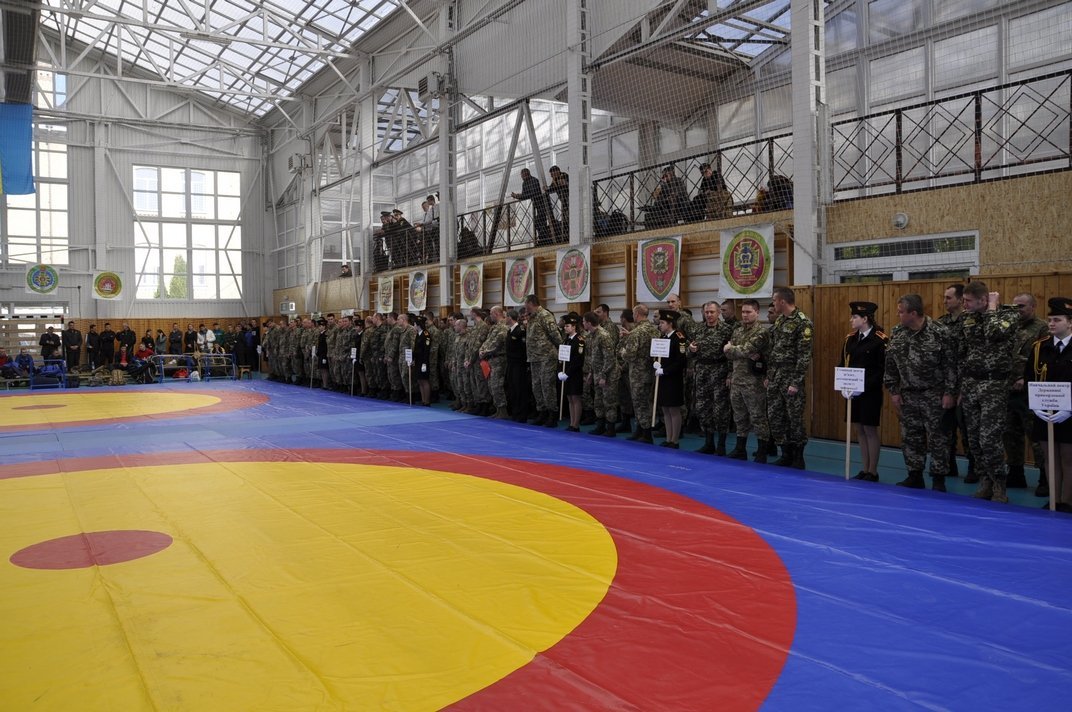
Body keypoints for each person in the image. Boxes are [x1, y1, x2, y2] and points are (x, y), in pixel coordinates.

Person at [883, 294, 957, 491]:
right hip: (908, 394)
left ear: (913, 313)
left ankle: (938, 479)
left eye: (901, 312)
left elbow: (950, 365)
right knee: (910, 437)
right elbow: (890, 364)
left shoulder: (940, 332)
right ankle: (914, 475)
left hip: (934, 394)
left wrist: (950, 392)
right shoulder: (898, 332)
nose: (898, 315)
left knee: (938, 438)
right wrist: (893, 391)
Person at [958, 281, 1020, 503]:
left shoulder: (1009, 315)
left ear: (984, 300)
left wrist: (992, 309)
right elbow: (963, 351)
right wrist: (961, 385)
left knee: (989, 439)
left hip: (994, 385)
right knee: (974, 439)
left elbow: (994, 333)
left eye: (968, 301)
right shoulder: (967, 317)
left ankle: (999, 484)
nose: (964, 305)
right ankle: (985, 480)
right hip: (971, 384)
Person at [1026, 297, 1072, 512]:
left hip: (1069, 415)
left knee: (1068, 458)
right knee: (1050, 458)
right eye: (1050, 319)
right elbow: (1030, 378)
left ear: (1070, 322)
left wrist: (1069, 409)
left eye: (1057, 320)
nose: (1051, 323)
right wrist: (1035, 405)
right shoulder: (1040, 348)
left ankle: (1067, 501)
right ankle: (1054, 500)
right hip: (1045, 412)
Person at [1005, 293, 1050, 493]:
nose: (1018, 311)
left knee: (1036, 435)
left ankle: (1044, 477)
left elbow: (1045, 359)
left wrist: (1026, 378)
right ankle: (1016, 473)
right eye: (1014, 307)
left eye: (1022, 306)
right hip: (1008, 388)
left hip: (1030, 390)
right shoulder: (1009, 327)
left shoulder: (1042, 328)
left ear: (1033, 306)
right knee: (1010, 433)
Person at [842, 302, 889, 482]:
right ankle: (864, 468)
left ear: (865, 319)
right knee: (859, 429)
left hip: (870, 392)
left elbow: (881, 369)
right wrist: (844, 384)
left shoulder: (880, 340)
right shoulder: (850, 339)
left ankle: (873, 471)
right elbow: (843, 363)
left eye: (854, 317)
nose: (851, 320)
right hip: (852, 392)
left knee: (870, 429)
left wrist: (863, 386)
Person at [767, 287, 813, 469]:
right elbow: (774, 350)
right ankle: (785, 453)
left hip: (791, 376)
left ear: (782, 301)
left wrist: (796, 382)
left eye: (774, 301)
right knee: (775, 416)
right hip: (776, 376)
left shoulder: (803, 322)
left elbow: (804, 356)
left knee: (794, 418)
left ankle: (798, 456)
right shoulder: (780, 320)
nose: (773, 304)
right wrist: (769, 375)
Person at [724, 299, 772, 461]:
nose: (745, 315)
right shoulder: (737, 331)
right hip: (737, 380)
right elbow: (730, 355)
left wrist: (732, 349)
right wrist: (734, 353)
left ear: (757, 313)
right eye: (743, 312)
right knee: (739, 416)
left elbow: (744, 350)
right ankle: (740, 449)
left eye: (748, 312)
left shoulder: (761, 332)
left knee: (758, 417)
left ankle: (762, 451)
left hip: (754, 382)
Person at [689, 300, 735, 455]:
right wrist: (691, 350)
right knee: (702, 408)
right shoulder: (698, 329)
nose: (709, 315)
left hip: (719, 371)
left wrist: (730, 373)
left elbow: (731, 354)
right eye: (706, 312)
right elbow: (690, 352)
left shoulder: (727, 330)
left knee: (721, 410)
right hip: (702, 372)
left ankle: (721, 445)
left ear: (719, 313)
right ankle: (709, 443)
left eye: (712, 312)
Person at [938, 284, 972, 480]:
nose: (945, 301)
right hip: (945, 384)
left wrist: (962, 388)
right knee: (945, 429)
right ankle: (948, 465)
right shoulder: (941, 323)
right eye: (944, 297)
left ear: (960, 300)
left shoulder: (970, 322)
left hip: (966, 383)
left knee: (968, 429)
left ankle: (974, 467)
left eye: (949, 298)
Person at [525, 293, 563, 427]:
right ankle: (542, 412)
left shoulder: (545, 315)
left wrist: (561, 350)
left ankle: (552, 414)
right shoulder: (531, 317)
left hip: (546, 356)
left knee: (547, 386)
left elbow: (555, 335)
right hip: (534, 357)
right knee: (536, 386)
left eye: (526, 304)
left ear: (531, 303)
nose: (525, 307)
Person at [652, 309, 686, 448]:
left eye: (662, 323)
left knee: (673, 410)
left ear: (670, 323)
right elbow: (658, 355)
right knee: (665, 409)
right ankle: (668, 438)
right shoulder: (663, 337)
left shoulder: (679, 337)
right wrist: (656, 363)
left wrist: (665, 370)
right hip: (663, 378)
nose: (659, 325)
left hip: (673, 379)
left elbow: (680, 361)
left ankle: (675, 440)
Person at [583, 311, 620, 436]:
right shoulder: (591, 336)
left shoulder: (603, 335)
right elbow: (594, 357)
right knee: (598, 401)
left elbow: (609, 358)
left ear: (589, 323)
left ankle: (610, 428)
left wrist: (604, 376)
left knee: (609, 402)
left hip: (608, 374)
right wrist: (591, 373)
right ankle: (600, 425)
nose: (583, 324)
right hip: (597, 373)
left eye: (584, 321)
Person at [479, 307, 511, 419]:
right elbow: (487, 341)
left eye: (491, 314)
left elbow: (497, 343)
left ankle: (503, 410)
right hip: (490, 360)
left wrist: (485, 352)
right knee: (491, 386)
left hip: (499, 360)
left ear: (496, 313)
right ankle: (498, 409)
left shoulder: (503, 326)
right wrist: (482, 350)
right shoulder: (494, 327)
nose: (490, 316)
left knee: (497, 386)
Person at [512, 168, 552, 246]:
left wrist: (519, 196)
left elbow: (533, 193)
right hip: (537, 204)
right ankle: (543, 238)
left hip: (543, 203)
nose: (523, 177)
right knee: (538, 222)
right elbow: (525, 195)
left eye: (524, 175)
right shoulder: (524, 183)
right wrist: (518, 196)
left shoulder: (534, 181)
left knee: (540, 221)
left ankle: (545, 239)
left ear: (528, 174)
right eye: (522, 175)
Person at [504, 309, 531, 422]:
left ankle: (522, 414)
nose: (505, 319)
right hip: (511, 363)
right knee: (512, 388)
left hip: (519, 364)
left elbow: (523, 349)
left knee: (520, 389)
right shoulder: (510, 331)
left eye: (506, 317)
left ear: (510, 318)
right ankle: (515, 412)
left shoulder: (520, 331)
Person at [559, 313, 585, 430]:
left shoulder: (579, 340)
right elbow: (562, 358)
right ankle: (571, 423)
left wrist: (568, 373)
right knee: (569, 398)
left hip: (575, 373)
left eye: (568, 326)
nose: (565, 328)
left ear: (574, 327)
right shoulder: (566, 340)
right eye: (565, 326)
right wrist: (560, 371)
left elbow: (578, 360)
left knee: (575, 398)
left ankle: (576, 424)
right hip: (566, 373)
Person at [412, 315, 433, 406]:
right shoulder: (418, 334)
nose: (413, 326)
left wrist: (424, 363)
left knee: (424, 380)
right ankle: (423, 400)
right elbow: (416, 349)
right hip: (418, 360)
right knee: (419, 381)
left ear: (418, 325)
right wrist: (413, 358)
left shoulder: (426, 334)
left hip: (424, 360)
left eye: (414, 324)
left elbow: (426, 350)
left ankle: (427, 401)